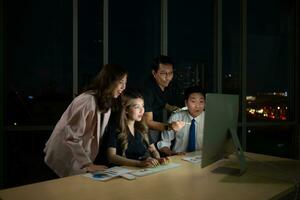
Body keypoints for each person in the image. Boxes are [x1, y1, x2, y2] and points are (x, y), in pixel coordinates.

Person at [44, 64, 128, 177]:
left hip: (79, 158)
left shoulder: (107, 103)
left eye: (125, 83)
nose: (123, 87)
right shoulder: (86, 101)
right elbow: (71, 136)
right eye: (121, 82)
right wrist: (88, 164)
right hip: (62, 155)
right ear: (109, 81)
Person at [107, 89, 169, 167]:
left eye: (142, 106)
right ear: (126, 109)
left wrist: (157, 159)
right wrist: (139, 164)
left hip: (140, 171)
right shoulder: (115, 127)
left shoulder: (142, 127)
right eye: (137, 107)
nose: (142, 110)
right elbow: (111, 157)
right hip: (121, 172)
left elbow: (153, 150)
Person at [142, 55, 185, 143]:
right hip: (144, 130)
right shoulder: (147, 91)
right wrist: (169, 127)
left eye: (170, 73)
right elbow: (147, 122)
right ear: (154, 73)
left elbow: (160, 101)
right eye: (163, 73)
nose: (168, 77)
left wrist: (169, 107)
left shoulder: (165, 84)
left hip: (157, 125)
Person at [157, 86, 205, 156]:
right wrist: (172, 153)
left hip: (202, 160)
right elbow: (164, 142)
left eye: (201, 101)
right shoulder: (176, 117)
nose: (197, 106)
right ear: (186, 103)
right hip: (179, 158)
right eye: (193, 101)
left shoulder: (210, 119)